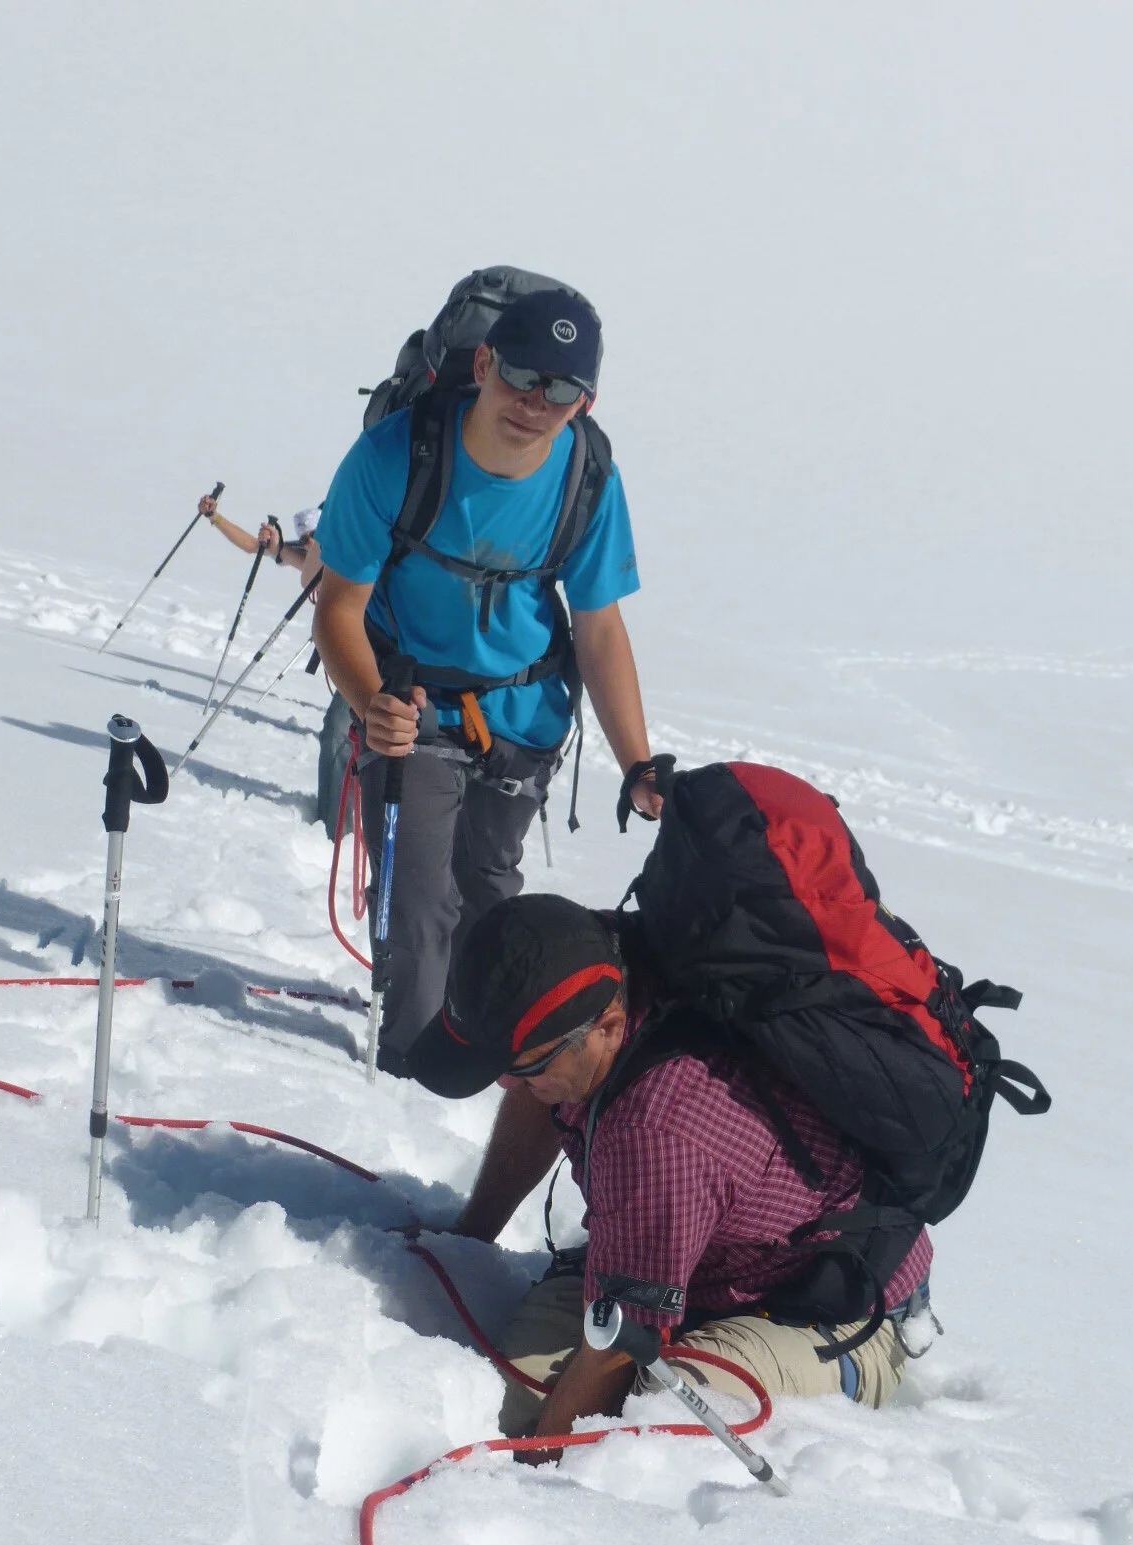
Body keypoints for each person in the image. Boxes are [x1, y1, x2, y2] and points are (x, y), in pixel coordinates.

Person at [406, 895, 939, 1451]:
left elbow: (618, 1347)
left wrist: (534, 1485)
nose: (506, 1087)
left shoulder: (658, 1131)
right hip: (688, 1253)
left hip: (834, 1310)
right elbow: (535, 1073)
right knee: (521, 1400)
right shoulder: (598, 961)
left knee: (663, 1417)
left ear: (610, 1027)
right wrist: (467, 1240)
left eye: (525, 1069)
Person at [312, 286, 663, 1072]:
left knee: (491, 891)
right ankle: (411, 1065)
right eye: (521, 376)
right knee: (418, 900)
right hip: (413, 704)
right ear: (484, 363)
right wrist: (371, 705)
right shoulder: (396, 454)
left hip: (527, 719)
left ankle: (495, 1054)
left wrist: (638, 762)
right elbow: (339, 605)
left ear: (586, 400)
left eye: (562, 390)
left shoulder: (590, 478)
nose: (536, 403)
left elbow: (601, 628)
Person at [198, 492, 318, 574]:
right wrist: (214, 516)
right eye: (304, 540)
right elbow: (252, 545)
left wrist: (280, 550)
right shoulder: (302, 550)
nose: (310, 542)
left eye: (315, 535)